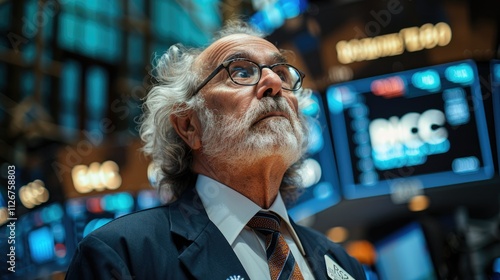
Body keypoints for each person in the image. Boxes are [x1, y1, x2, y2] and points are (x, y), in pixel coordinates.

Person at [65, 20, 366, 280]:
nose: (273, 82)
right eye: (241, 72)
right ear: (189, 126)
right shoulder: (122, 254)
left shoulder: (343, 263)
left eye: (283, 73)